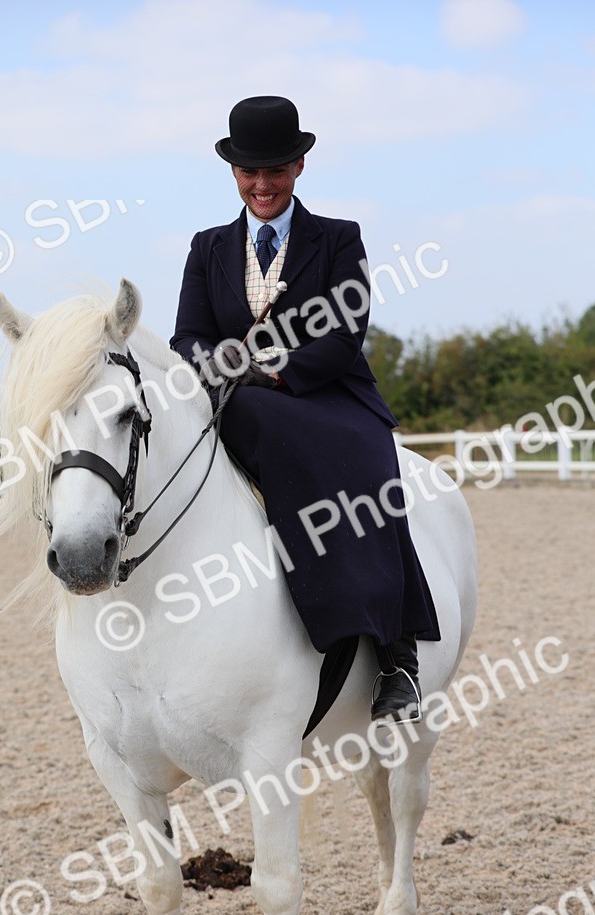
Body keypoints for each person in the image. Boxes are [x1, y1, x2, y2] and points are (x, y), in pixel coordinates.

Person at [170, 95, 440, 723]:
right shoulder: (208, 247)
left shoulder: (339, 238)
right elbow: (188, 336)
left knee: (374, 469)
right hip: (236, 395)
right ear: (234, 173)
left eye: (276, 170)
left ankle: (397, 656)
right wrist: (226, 368)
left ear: (298, 167)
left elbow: (346, 333)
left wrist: (278, 372)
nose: (262, 185)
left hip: (327, 393)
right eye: (249, 173)